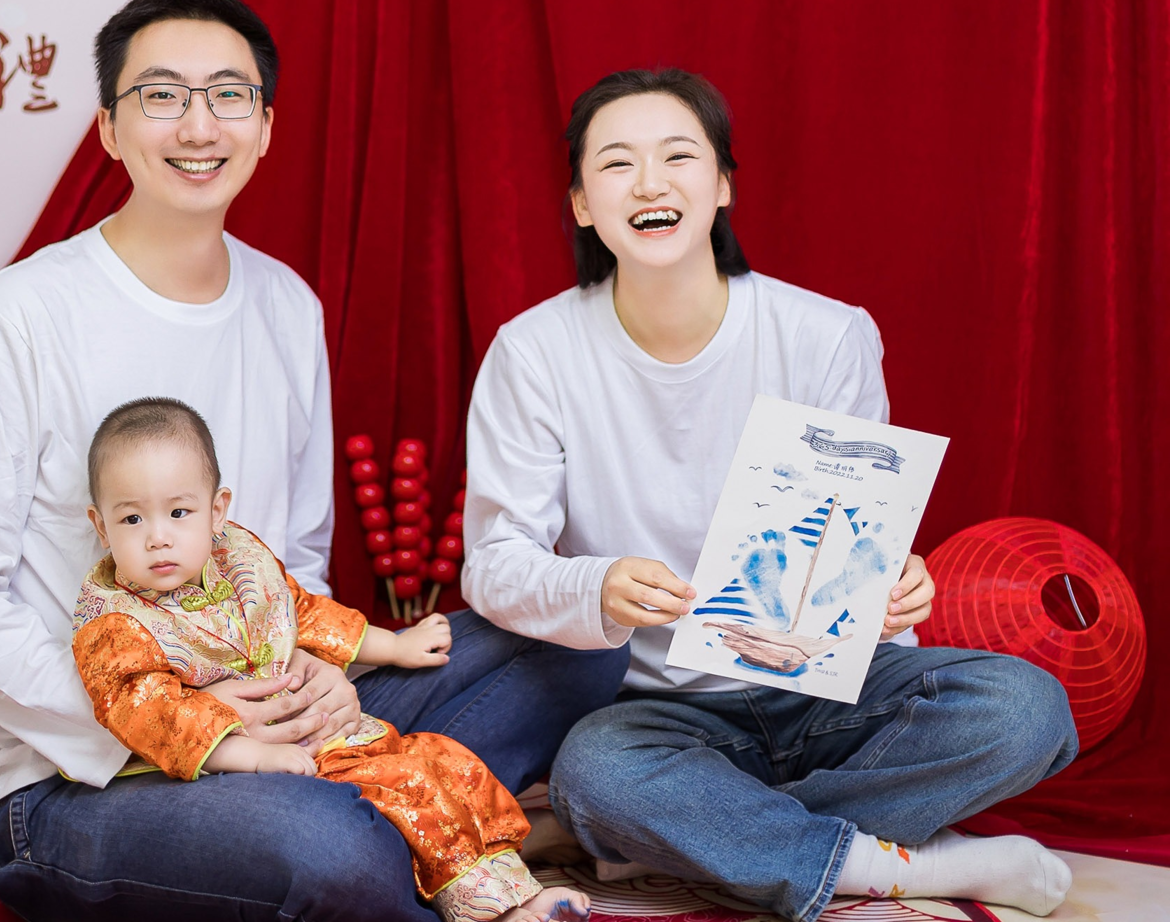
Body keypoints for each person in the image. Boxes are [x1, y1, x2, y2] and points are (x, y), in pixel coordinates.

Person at [0, 0, 626, 919]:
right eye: (161, 95)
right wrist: (195, 723)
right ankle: (427, 834)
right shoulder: (20, 314)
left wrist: (317, 679)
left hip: (288, 726)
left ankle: (398, 821)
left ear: (266, 126)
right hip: (76, 781)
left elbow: (297, 559)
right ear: (110, 129)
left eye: (228, 95)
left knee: (579, 640)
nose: (198, 125)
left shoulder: (286, 305)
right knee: (330, 850)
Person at [461, 68, 1079, 922]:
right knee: (597, 771)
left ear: (722, 184)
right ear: (580, 204)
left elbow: (858, 534)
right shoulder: (533, 352)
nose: (649, 183)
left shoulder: (826, 335)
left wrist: (889, 585)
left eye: (679, 156)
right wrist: (594, 584)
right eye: (617, 163)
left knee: (1027, 710)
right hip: (658, 709)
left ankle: (698, 833)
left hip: (830, 694)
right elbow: (494, 565)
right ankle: (889, 862)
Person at [72, 397, 589, 922]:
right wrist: (251, 755)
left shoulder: (239, 558)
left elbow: (302, 612)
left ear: (217, 510)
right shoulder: (114, 622)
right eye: (132, 518)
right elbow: (146, 713)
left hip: (318, 732)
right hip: (223, 770)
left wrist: (394, 645)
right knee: (399, 789)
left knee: (443, 762)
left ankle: (513, 889)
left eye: (179, 513)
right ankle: (490, 913)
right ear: (101, 526)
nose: (158, 537)